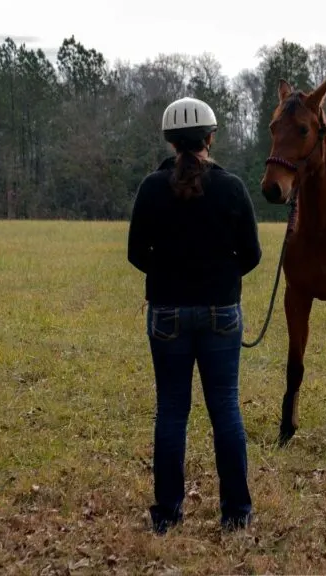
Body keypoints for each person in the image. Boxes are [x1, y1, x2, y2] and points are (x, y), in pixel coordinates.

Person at [127, 96, 262, 535]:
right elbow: (252, 255)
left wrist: (169, 276)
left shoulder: (150, 188)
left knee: (171, 410)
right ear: (210, 138)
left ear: (170, 142)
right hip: (222, 313)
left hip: (166, 314)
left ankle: (166, 515)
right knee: (225, 408)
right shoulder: (232, 187)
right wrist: (220, 279)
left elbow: (135, 254)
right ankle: (236, 514)